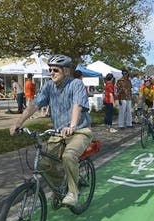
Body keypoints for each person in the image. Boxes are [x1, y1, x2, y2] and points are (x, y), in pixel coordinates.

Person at [10, 54, 92, 206]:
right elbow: (34, 105)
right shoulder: (48, 86)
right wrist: (18, 122)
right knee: (43, 163)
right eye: (50, 70)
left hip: (80, 131)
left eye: (55, 70)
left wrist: (72, 126)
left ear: (66, 71)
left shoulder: (76, 84)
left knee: (69, 156)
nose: (51, 73)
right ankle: (61, 187)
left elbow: (77, 105)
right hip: (58, 133)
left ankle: (73, 192)